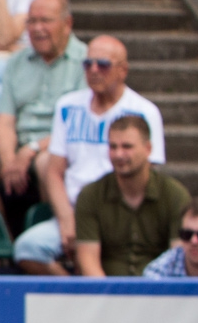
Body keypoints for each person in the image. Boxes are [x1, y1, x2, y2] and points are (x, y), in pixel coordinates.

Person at [16, 34, 162, 273]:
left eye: (103, 65)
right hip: (73, 210)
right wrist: (66, 220)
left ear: (122, 70)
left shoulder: (144, 112)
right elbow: (54, 172)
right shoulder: (68, 106)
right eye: (87, 64)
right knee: (27, 248)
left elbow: (147, 177)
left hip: (121, 215)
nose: (94, 70)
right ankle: (73, 296)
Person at [0, 0, 85, 190]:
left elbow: (77, 126)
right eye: (31, 21)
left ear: (67, 24)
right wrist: (9, 161)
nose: (37, 28)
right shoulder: (16, 61)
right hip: (18, 143)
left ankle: (57, 219)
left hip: (56, 146)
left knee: (47, 162)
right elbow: (5, 121)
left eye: (45, 21)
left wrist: (31, 150)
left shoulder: (87, 62)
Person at [73, 115, 186, 277]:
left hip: (159, 294)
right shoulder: (90, 195)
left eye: (127, 147)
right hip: (107, 294)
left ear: (148, 149)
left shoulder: (175, 195)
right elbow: (87, 259)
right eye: (113, 147)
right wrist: (109, 298)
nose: (118, 154)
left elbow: (179, 258)